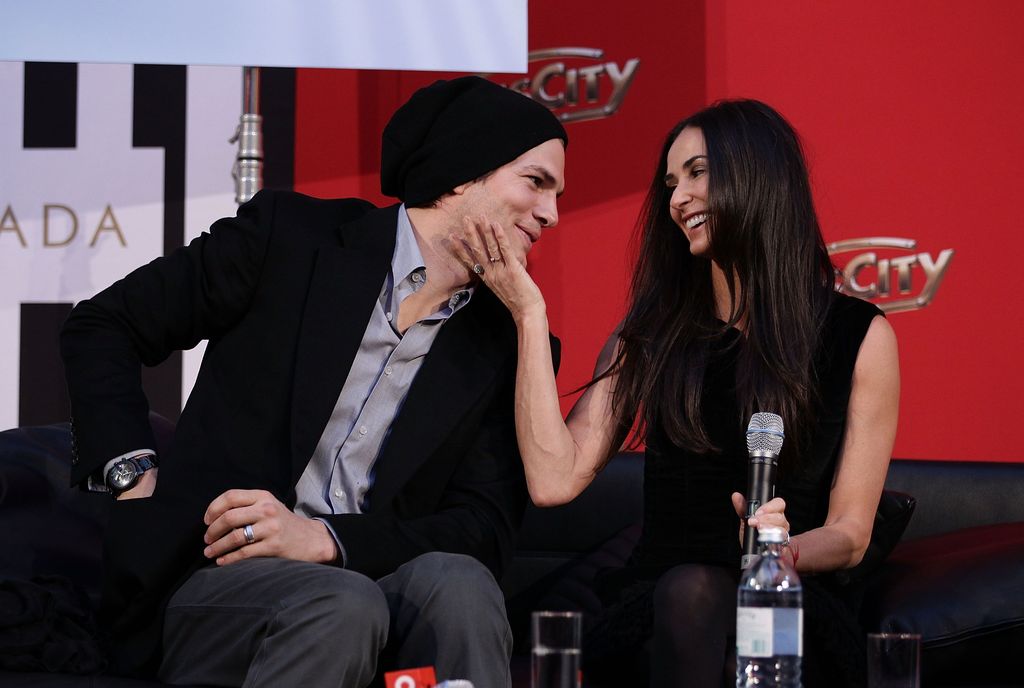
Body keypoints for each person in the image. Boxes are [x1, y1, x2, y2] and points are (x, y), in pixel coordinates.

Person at [60, 76, 567, 688]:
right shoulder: (291, 239)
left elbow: (480, 530)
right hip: (217, 575)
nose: (551, 214)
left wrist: (327, 540)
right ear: (463, 173)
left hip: (370, 574)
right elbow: (103, 325)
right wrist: (131, 476)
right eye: (536, 182)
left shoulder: (507, 343)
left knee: (460, 584)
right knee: (339, 605)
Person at [454, 99, 899, 687]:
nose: (676, 199)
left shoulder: (859, 336)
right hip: (662, 603)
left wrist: (779, 555)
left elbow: (850, 533)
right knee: (690, 593)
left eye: (696, 173)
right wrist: (529, 315)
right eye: (670, 182)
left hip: (787, 602)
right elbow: (553, 480)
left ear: (758, 175)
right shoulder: (651, 335)